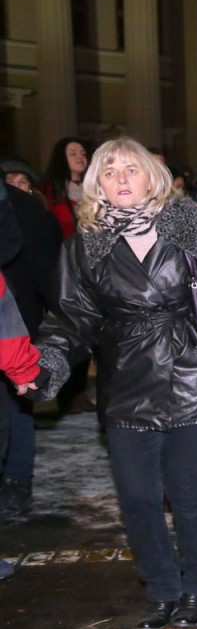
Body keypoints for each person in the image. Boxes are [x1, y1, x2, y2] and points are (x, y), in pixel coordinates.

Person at [27, 136, 197, 629]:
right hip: (125, 375)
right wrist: (49, 362)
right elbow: (71, 317)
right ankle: (161, 587)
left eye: (130, 169)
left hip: (189, 369)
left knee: (186, 488)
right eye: (109, 171)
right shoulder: (86, 243)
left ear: (151, 176)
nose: (121, 179)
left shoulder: (190, 226)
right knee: (136, 494)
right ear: (97, 183)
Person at [0, 168, 61, 515]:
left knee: (16, 405)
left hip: (17, 321)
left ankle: (16, 479)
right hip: (15, 322)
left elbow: (46, 266)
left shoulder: (24, 208)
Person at [39, 136, 88, 238]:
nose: (80, 157)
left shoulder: (95, 188)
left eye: (83, 154)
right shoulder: (50, 190)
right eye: (73, 154)